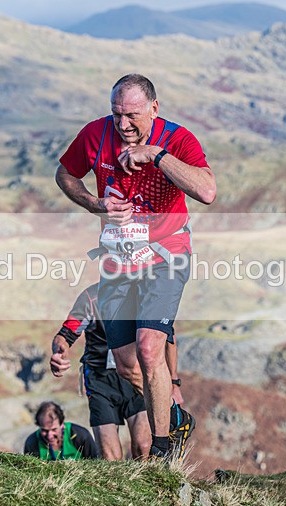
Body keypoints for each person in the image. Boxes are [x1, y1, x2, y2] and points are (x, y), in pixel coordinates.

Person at [56, 74, 215, 460]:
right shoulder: (95, 135)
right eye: (117, 115)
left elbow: (208, 191)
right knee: (128, 364)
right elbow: (65, 174)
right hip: (116, 258)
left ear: (154, 109)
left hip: (166, 254)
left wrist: (157, 155)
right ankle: (175, 415)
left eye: (133, 115)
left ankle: (161, 450)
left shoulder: (178, 139)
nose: (124, 125)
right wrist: (94, 204)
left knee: (148, 349)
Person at [50, 283, 185, 460]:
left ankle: (143, 486)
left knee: (143, 448)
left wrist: (174, 383)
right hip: (100, 382)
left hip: (136, 378)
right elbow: (65, 334)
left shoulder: (146, 295)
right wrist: (59, 351)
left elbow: (168, 339)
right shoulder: (91, 298)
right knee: (109, 455)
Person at [23, 401, 100, 460]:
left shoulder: (81, 436)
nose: (50, 435)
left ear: (62, 424)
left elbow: (95, 462)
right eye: (45, 430)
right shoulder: (32, 443)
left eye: (54, 429)